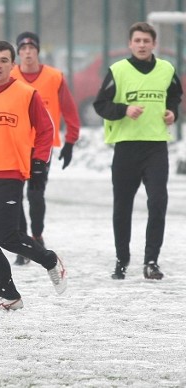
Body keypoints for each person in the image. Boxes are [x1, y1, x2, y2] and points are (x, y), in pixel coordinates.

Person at [0, 40, 67, 311]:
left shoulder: (26, 94)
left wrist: (40, 160)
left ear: (12, 65)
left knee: (6, 237)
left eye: (3, 60)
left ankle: (49, 260)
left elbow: (45, 130)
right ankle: (10, 296)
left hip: (10, 174)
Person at [93, 22, 182, 280]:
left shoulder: (166, 69)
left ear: (154, 44)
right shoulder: (118, 70)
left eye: (146, 41)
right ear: (130, 44)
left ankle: (151, 261)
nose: (142, 45)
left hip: (155, 147)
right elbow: (100, 104)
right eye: (137, 40)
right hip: (126, 148)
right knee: (123, 206)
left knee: (158, 202)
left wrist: (172, 111)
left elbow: (175, 94)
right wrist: (124, 110)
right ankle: (122, 260)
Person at [10, 31, 81, 265]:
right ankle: (22, 242)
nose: (27, 53)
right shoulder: (10, 76)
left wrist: (70, 141)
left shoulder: (54, 77)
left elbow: (70, 110)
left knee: (36, 193)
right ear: (18, 53)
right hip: (16, 144)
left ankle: (37, 235)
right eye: (23, 49)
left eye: (31, 48)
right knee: (15, 195)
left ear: (38, 51)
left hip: (42, 145)